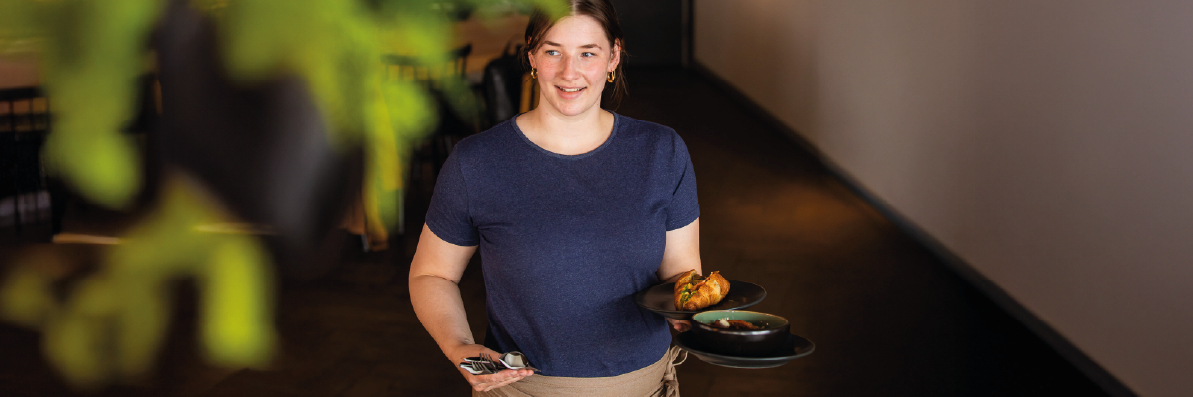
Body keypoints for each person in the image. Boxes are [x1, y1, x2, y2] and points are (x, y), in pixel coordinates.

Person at [409, 1, 701, 395]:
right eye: (553, 51)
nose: (569, 72)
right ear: (531, 55)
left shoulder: (662, 151)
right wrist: (458, 345)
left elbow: (683, 275)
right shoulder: (476, 162)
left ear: (614, 57)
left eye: (588, 53)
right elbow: (432, 274)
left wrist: (691, 313)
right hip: (522, 390)